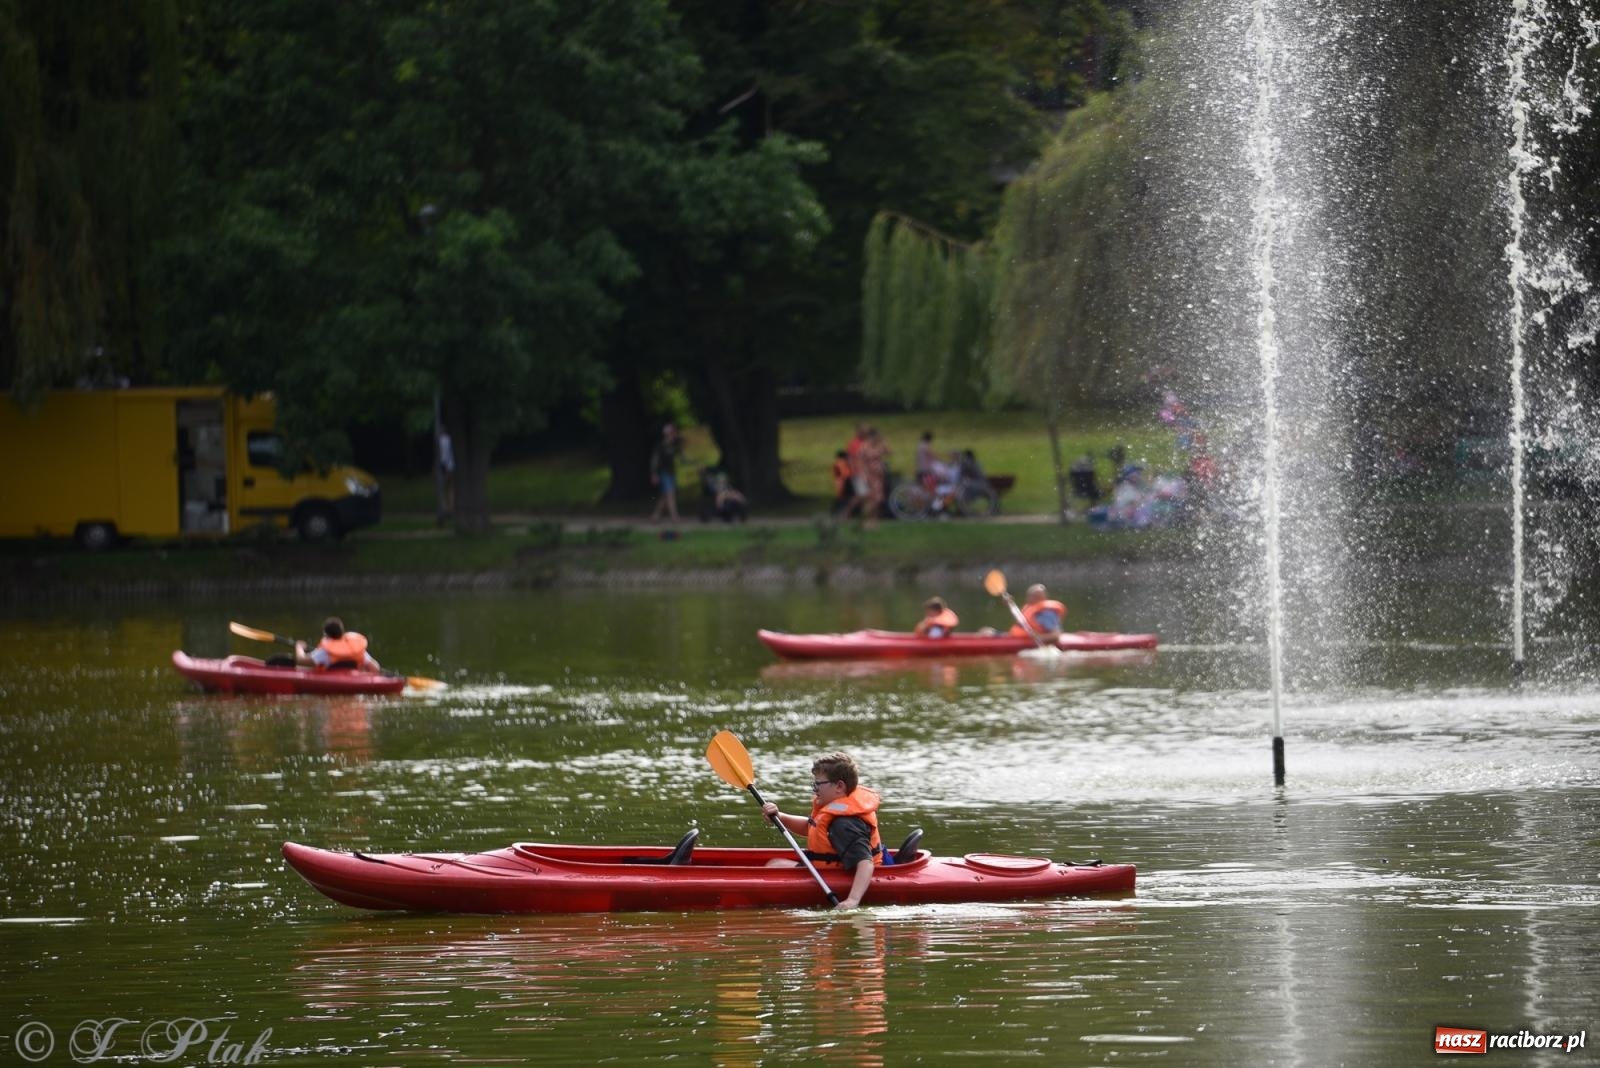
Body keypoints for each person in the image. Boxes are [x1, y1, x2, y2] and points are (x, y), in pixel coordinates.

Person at [760, 753, 882, 910]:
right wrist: (780, 817)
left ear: (839, 786)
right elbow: (810, 827)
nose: (815, 789)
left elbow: (865, 862)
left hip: (842, 877)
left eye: (818, 784)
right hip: (829, 870)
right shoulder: (835, 811)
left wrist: (852, 899)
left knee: (774, 868)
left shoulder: (844, 824)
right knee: (775, 864)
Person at [295, 617, 381, 672]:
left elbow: (301, 661)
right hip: (353, 681)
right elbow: (376, 668)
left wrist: (299, 646)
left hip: (331, 683)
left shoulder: (324, 652)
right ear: (342, 632)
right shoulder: (355, 649)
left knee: (299, 668)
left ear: (327, 635)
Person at [650, 422, 683, 525]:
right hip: (663, 473)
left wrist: (695, 463)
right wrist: (654, 473)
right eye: (672, 432)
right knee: (670, 494)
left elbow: (683, 457)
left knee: (665, 496)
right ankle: (674, 517)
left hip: (671, 473)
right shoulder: (661, 446)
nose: (674, 434)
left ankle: (655, 516)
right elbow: (655, 460)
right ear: (668, 434)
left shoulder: (675, 445)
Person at [830, 450, 853, 515]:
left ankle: (835, 511)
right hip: (844, 482)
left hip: (838, 482)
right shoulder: (842, 463)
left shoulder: (836, 463)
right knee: (844, 499)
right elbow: (846, 475)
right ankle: (836, 512)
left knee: (841, 498)